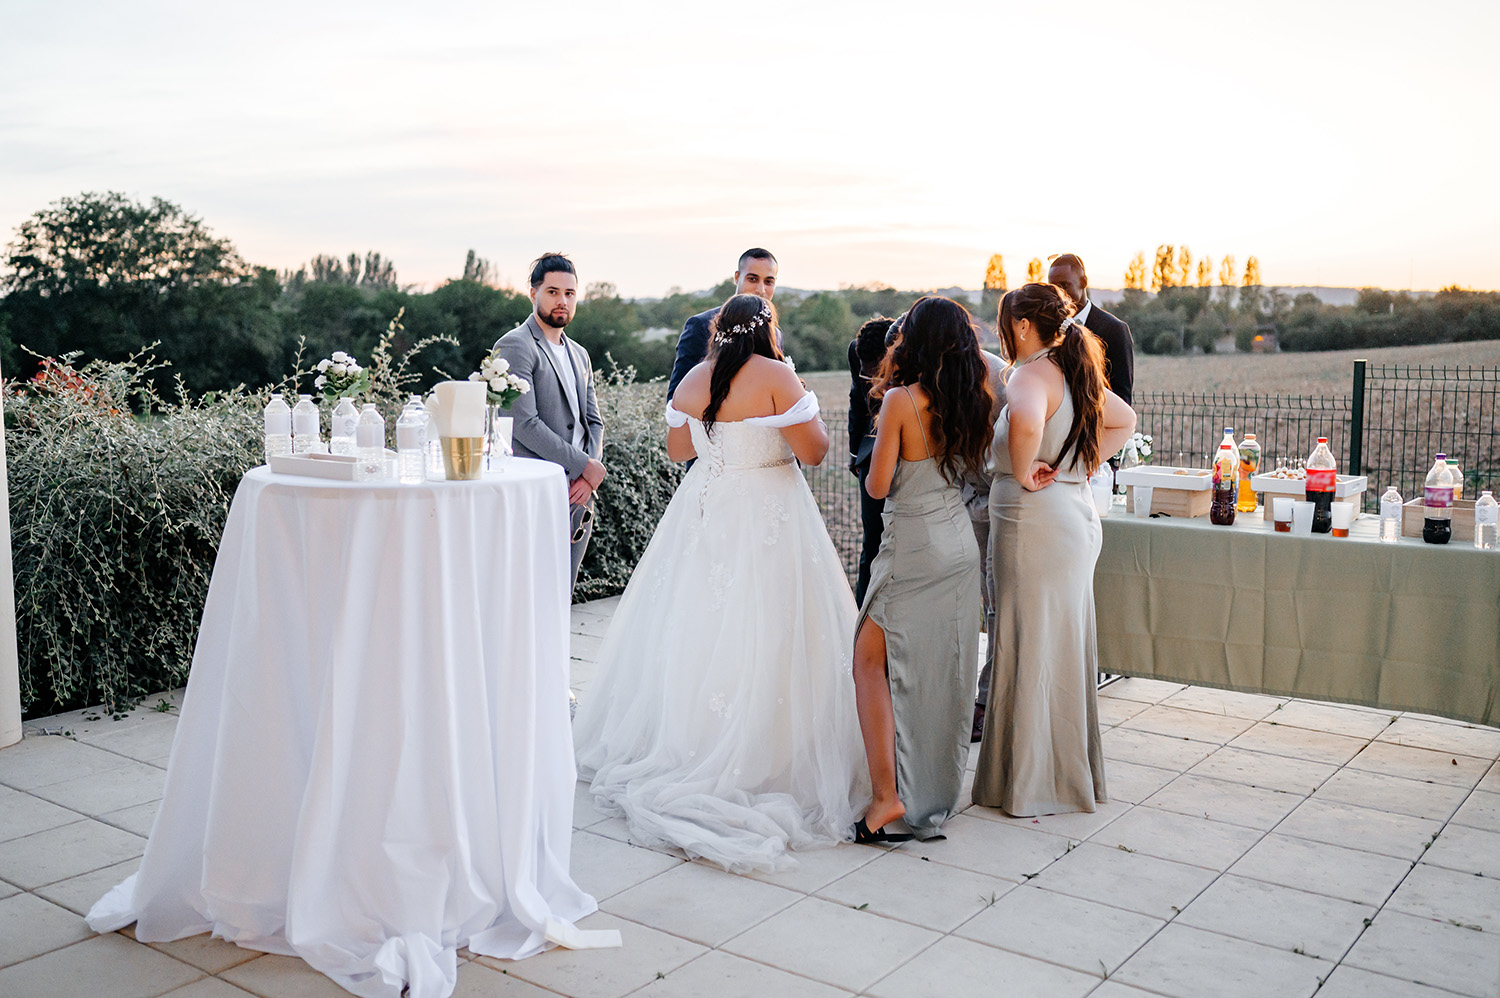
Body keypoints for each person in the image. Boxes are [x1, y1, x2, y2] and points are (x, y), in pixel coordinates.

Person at [573, 293, 868, 873]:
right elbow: (814, 453)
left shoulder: (693, 381)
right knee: (773, 626)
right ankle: (768, 754)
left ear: (718, 331)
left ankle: (689, 740)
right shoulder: (779, 376)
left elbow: (678, 447)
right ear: (766, 330)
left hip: (706, 511)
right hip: (769, 511)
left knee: (698, 625)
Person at [973, 283, 1137, 817]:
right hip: (1073, 517)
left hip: (1033, 521)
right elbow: (1125, 421)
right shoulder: (1075, 370)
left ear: (1021, 326)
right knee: (1063, 645)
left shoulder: (1028, 375)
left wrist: (1023, 470)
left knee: (1025, 642)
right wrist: (1082, 463)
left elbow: (1023, 421)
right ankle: (1067, 778)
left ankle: (1023, 783)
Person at [852, 295, 995, 843]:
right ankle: (930, 791)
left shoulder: (900, 402)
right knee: (941, 674)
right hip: (958, 544)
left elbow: (879, 485)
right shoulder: (973, 398)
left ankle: (887, 798)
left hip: (913, 545)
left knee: (867, 660)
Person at [496, 252, 606, 591]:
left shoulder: (579, 353)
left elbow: (594, 422)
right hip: (536, 486)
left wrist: (590, 473)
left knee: (563, 591)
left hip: (577, 492)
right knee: (532, 591)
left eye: (569, 294)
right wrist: (583, 466)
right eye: (553, 292)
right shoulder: (516, 345)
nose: (562, 301)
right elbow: (524, 423)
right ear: (533, 293)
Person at [667, 248, 778, 400]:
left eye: (768, 282)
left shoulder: (775, 333)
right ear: (737, 277)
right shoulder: (700, 325)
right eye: (752, 279)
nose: (761, 290)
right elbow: (676, 397)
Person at [847, 315, 895, 604]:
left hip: (911, 453)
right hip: (870, 453)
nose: (871, 382)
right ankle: (862, 614)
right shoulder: (856, 351)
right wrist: (855, 454)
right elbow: (856, 400)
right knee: (872, 541)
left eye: (875, 373)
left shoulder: (909, 349)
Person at [1048, 254, 1134, 403]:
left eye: (1064, 285)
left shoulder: (1114, 330)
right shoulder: (1048, 328)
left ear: (1083, 282)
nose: (1058, 294)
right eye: (1053, 288)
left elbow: (1122, 397)